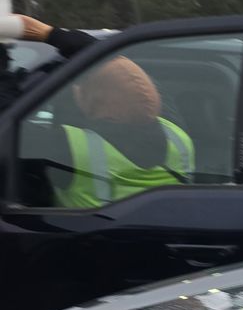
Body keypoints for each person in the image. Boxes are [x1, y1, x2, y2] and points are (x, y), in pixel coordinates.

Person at [9, 14, 194, 208]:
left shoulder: (66, 146)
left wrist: (52, 35)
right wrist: (60, 37)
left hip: (84, 237)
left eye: (81, 84)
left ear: (97, 101)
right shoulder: (179, 136)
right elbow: (135, 85)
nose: (75, 88)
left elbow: (7, 119)